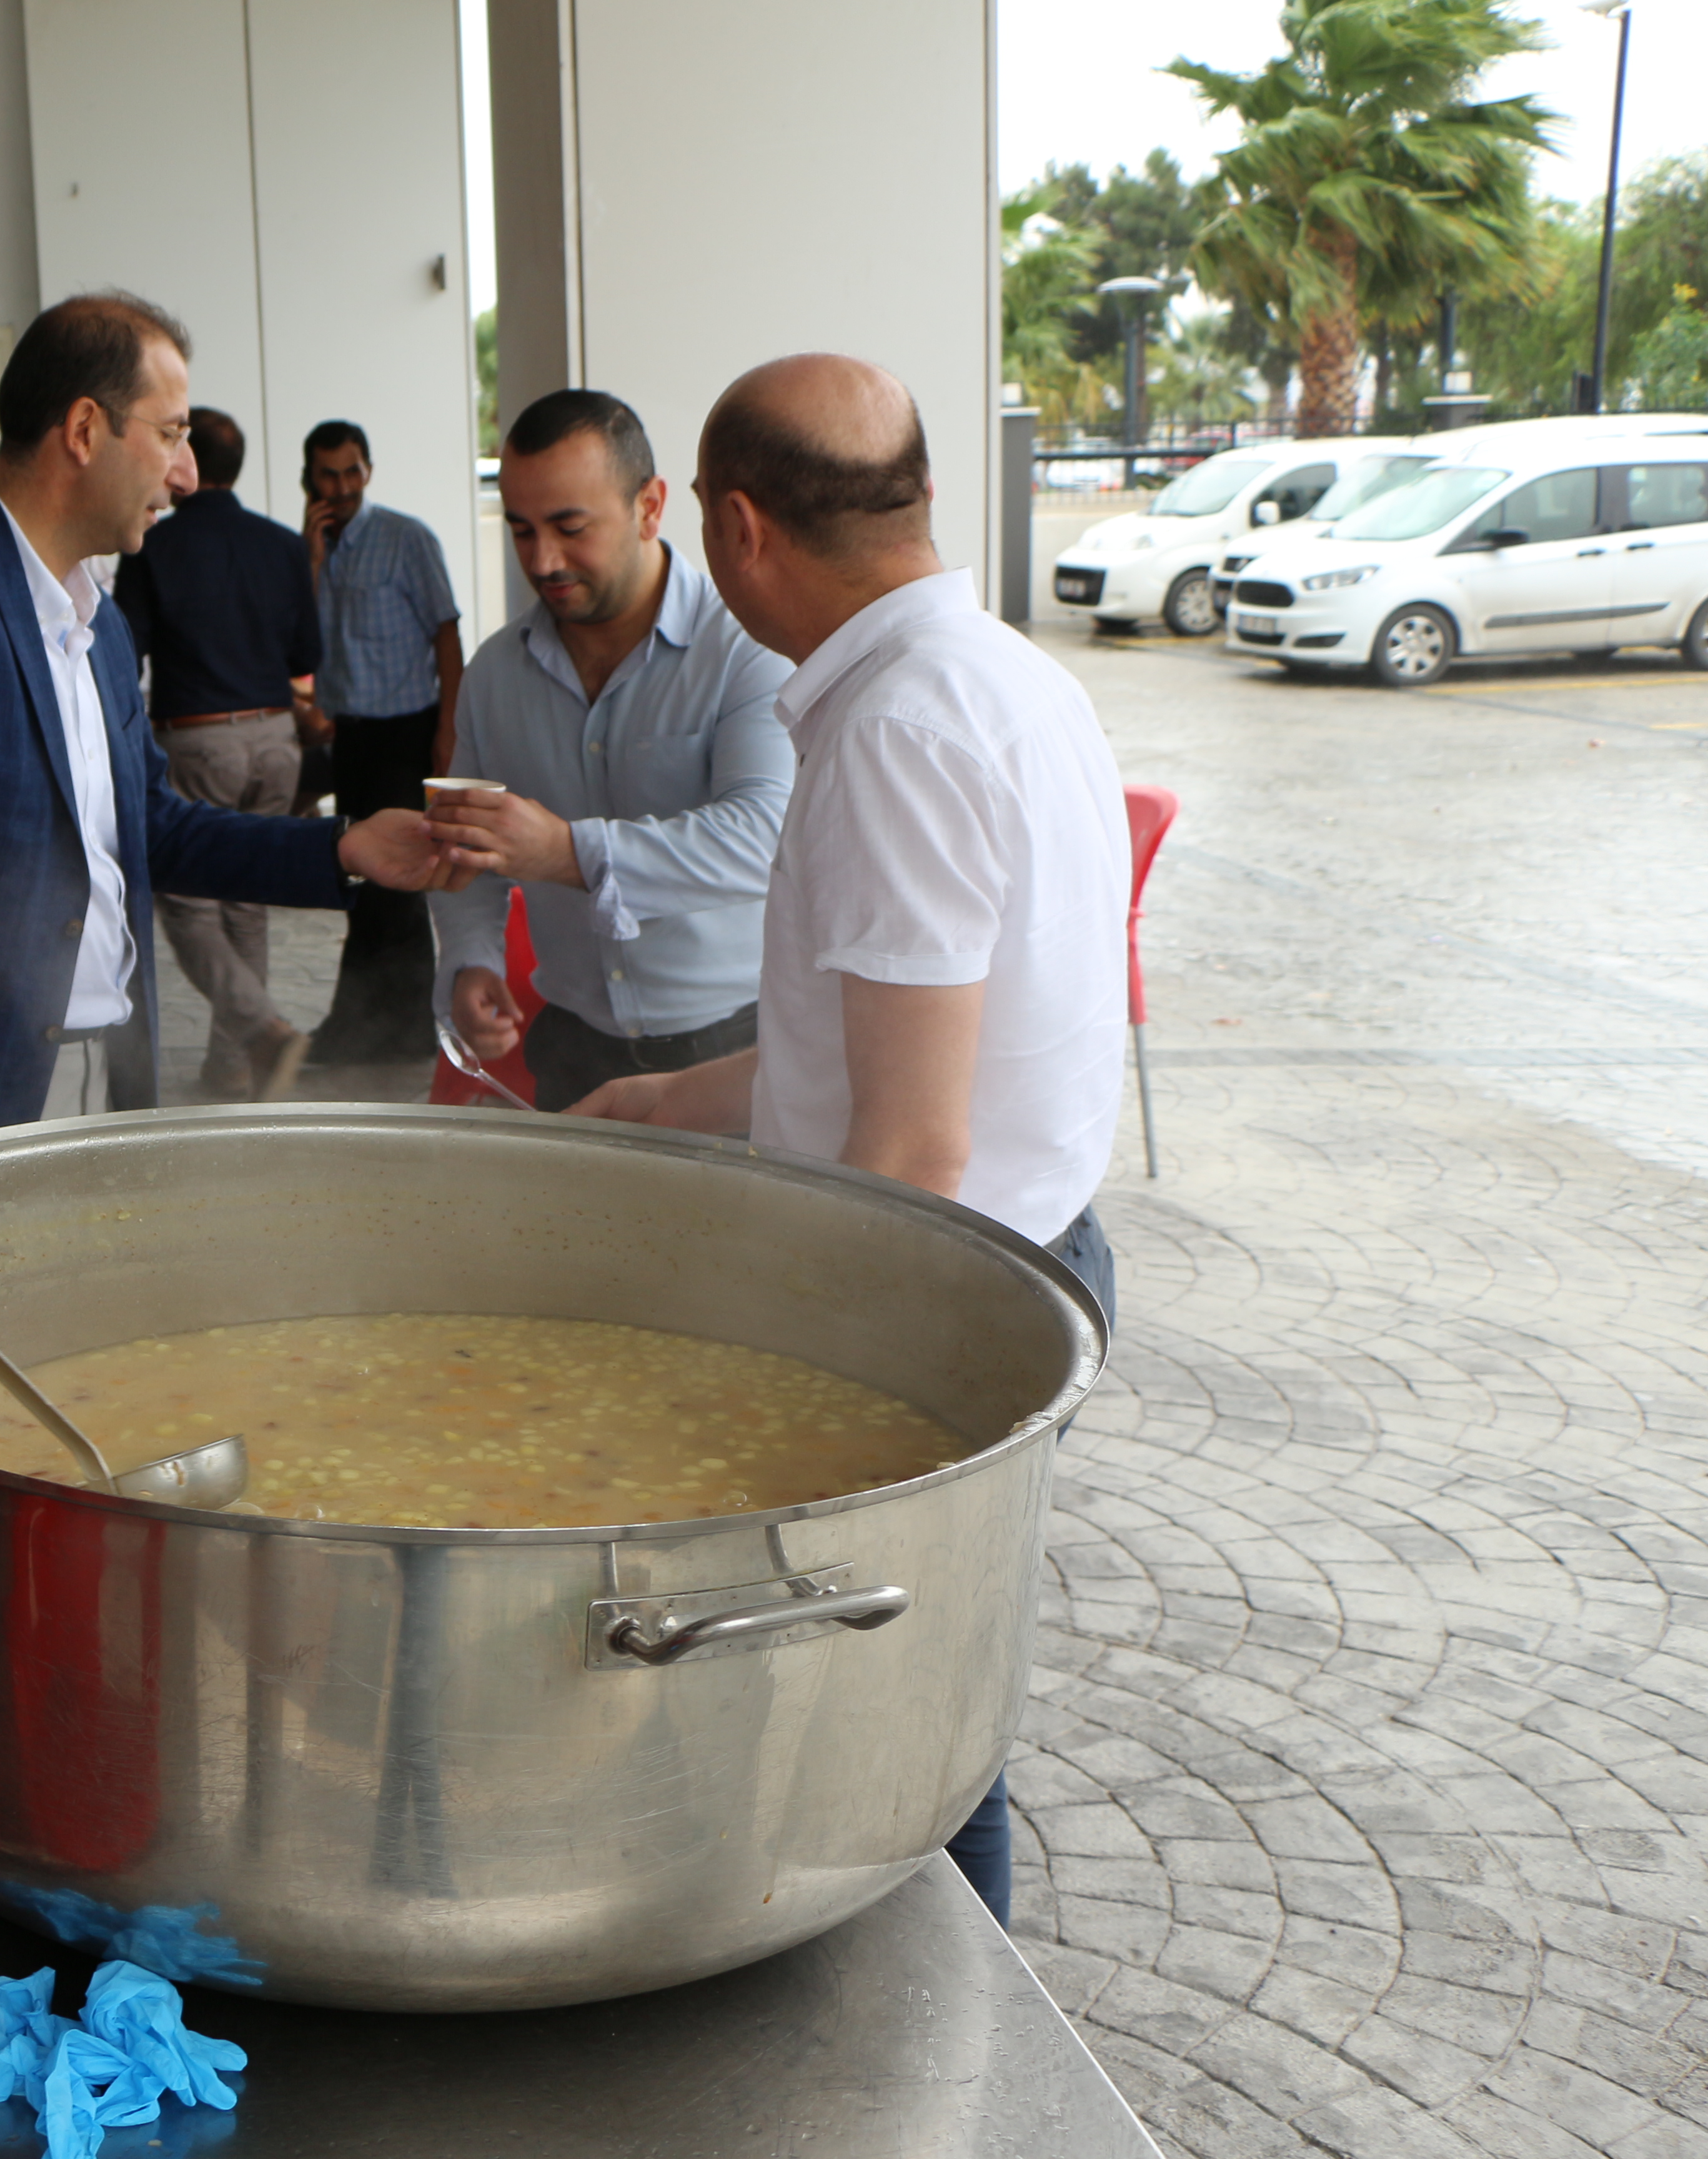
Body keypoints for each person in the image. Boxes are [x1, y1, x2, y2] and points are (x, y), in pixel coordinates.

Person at [563, 352, 1128, 1928]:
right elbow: (896, 1046)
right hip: (1026, 1256)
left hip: (940, 1309)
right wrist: (660, 1104)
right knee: (905, 1714)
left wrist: (775, 1383)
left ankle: (927, 2070)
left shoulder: (897, 729)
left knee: (897, 1743)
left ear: (735, 528)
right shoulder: (1010, 676)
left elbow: (912, 1149)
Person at [0, 292, 459, 1133]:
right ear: (86, 430)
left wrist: (344, 844)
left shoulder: (100, 622)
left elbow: (149, 828)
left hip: (111, 1069)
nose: (187, 472)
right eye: (170, 433)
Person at [427, 390, 793, 1111]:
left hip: (740, 1047)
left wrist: (568, 852)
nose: (544, 559)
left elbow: (765, 835)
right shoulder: (496, 674)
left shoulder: (745, 648)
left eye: (570, 527)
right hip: (573, 1045)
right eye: (522, 530)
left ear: (651, 507)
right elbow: (470, 847)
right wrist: (473, 960)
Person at [111, 406, 322, 1101]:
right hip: (277, 737)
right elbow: (306, 655)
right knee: (247, 902)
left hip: (199, 739)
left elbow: (125, 652)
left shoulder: (153, 546)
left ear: (188, 457)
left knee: (189, 906)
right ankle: (234, 1064)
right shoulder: (281, 546)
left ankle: (261, 1030)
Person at [300, 419, 465, 1064]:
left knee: (397, 886)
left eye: (351, 472)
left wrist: (449, 730)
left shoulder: (405, 539)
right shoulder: (312, 549)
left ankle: (385, 1032)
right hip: (351, 738)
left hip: (407, 730)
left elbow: (447, 637)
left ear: (367, 471)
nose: (341, 487)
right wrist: (311, 564)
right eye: (327, 476)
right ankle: (373, 1028)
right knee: (364, 878)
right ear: (310, 481)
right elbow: (306, 644)